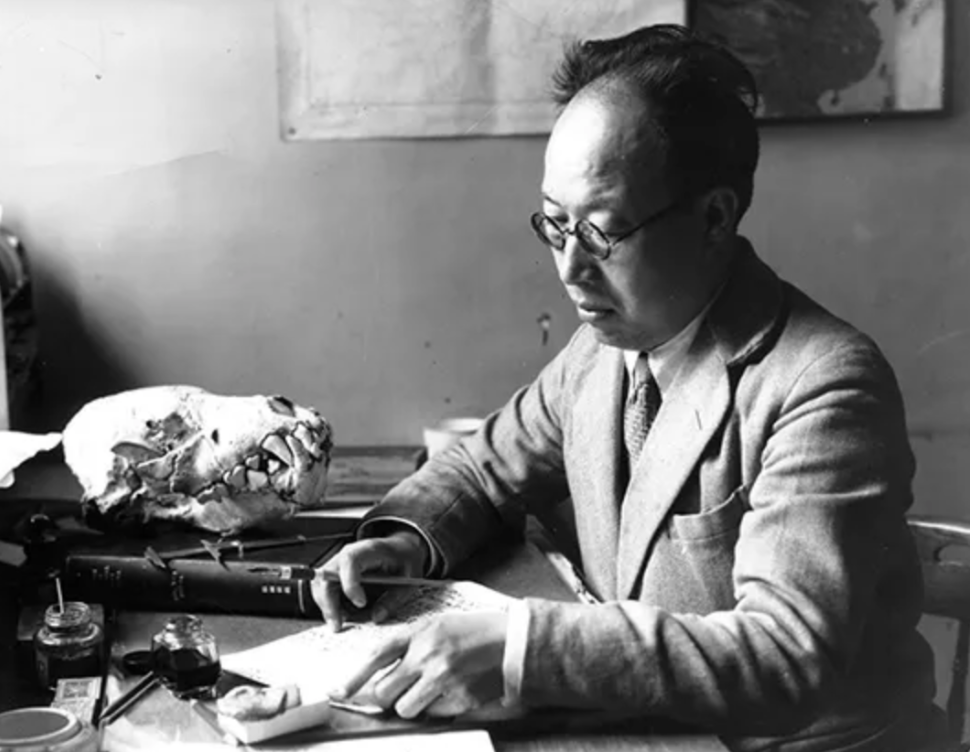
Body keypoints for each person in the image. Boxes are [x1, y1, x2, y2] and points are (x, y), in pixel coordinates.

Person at [311, 25, 945, 751]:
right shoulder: (602, 350)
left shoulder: (824, 382)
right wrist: (403, 543)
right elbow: (482, 469)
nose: (569, 269)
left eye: (601, 233)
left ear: (714, 216)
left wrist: (521, 646)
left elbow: (783, 654)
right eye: (556, 225)